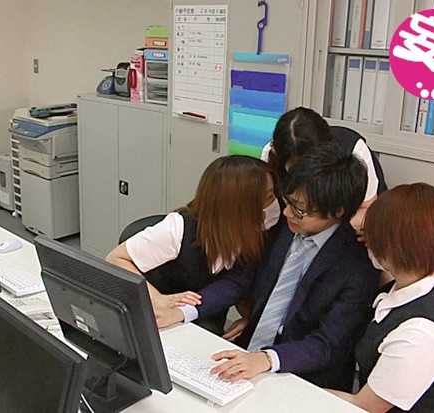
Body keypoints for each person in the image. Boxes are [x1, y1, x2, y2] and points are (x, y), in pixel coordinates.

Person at [156, 142, 379, 391]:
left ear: (337, 211)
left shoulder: (357, 265)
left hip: (304, 376)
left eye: (300, 210)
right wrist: (185, 311)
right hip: (248, 353)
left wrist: (267, 359)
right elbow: (240, 279)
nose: (287, 213)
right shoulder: (283, 227)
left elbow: (328, 344)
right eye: (288, 201)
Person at [106, 155, 280, 333]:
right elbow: (115, 259)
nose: (275, 202)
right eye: (268, 197)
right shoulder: (179, 228)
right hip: (157, 319)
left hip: (201, 321)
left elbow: (238, 283)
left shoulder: (254, 232)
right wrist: (157, 299)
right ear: (240, 206)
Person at [328, 183, 434, 412]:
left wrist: (293, 389)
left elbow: (364, 406)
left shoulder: (418, 335)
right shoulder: (423, 280)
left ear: (393, 246)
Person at [261, 107, 386, 233]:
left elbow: (368, 210)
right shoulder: (272, 155)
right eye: (295, 166)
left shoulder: (352, 150)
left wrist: (324, 230)